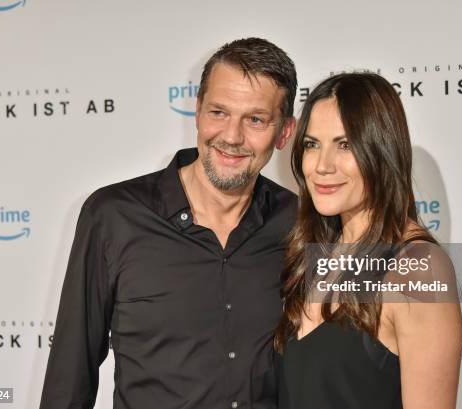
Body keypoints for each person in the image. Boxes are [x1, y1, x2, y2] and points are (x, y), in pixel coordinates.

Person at [39, 37, 297, 409]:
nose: (231, 136)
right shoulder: (113, 216)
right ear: (197, 111)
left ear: (283, 133)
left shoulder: (298, 223)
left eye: (255, 119)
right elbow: (70, 374)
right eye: (218, 113)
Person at [275, 73, 462, 409]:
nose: (321, 166)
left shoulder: (417, 268)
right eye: (312, 144)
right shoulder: (313, 256)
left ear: (382, 151)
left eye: (345, 145)